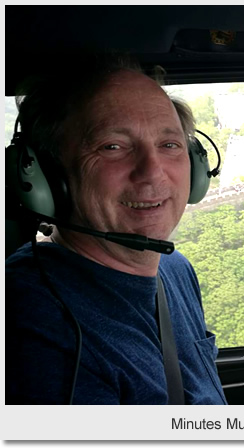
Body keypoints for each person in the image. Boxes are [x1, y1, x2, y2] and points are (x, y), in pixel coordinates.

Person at [6, 57, 227, 405]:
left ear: (197, 165)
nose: (152, 174)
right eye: (113, 147)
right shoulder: (32, 319)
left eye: (169, 145)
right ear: (47, 178)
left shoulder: (176, 270)